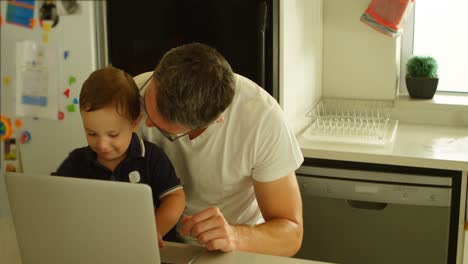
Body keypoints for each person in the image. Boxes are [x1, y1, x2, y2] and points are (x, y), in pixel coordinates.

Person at [135, 43, 304, 256]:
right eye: (147, 98)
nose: (145, 122)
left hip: (234, 250)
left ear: (215, 121)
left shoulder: (261, 118)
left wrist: (235, 236)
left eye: (162, 129)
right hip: (156, 243)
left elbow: (291, 234)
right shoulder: (131, 95)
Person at [52, 67, 185, 247]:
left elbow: (175, 198)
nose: (102, 144)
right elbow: (54, 196)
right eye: (91, 133)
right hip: (98, 247)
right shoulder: (77, 160)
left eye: (113, 135)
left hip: (150, 251)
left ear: (135, 123)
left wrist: (155, 230)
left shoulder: (151, 157)